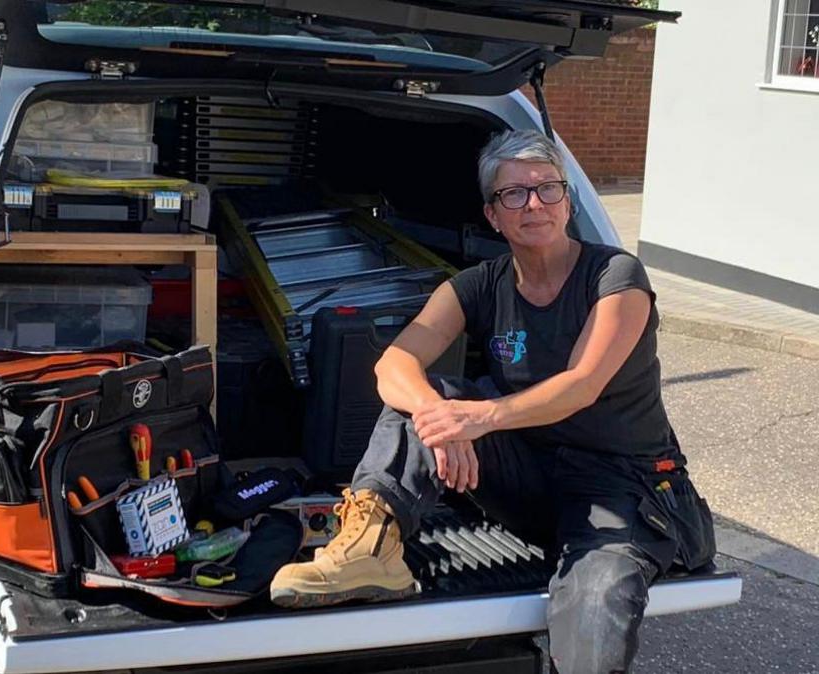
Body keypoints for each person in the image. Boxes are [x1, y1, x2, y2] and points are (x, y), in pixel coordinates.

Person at [270, 129, 716, 674]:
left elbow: (581, 385)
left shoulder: (616, 276)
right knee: (427, 400)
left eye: (547, 188)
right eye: (514, 194)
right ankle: (370, 549)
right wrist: (444, 419)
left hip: (626, 488)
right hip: (535, 481)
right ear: (492, 215)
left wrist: (477, 418)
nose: (534, 203)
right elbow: (392, 365)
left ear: (568, 201)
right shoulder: (478, 285)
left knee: (593, 596)